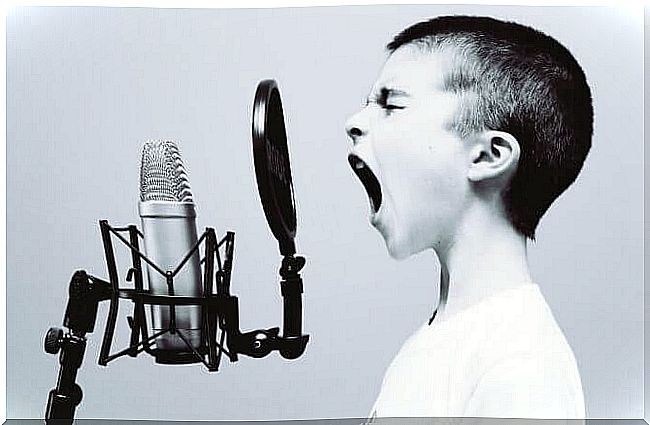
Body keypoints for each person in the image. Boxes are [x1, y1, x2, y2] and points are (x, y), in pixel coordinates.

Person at [346, 16, 592, 419]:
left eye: (391, 105)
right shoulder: (438, 340)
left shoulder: (521, 367)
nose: (354, 122)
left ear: (488, 156)